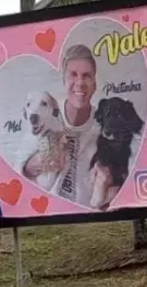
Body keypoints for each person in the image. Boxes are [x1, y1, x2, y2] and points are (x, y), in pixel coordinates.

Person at [22, 44, 100, 207]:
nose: (80, 82)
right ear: (63, 81)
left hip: (89, 212)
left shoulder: (104, 123)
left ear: (95, 84)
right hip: (49, 211)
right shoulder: (43, 116)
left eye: (86, 76)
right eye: (73, 75)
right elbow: (21, 165)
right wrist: (37, 163)